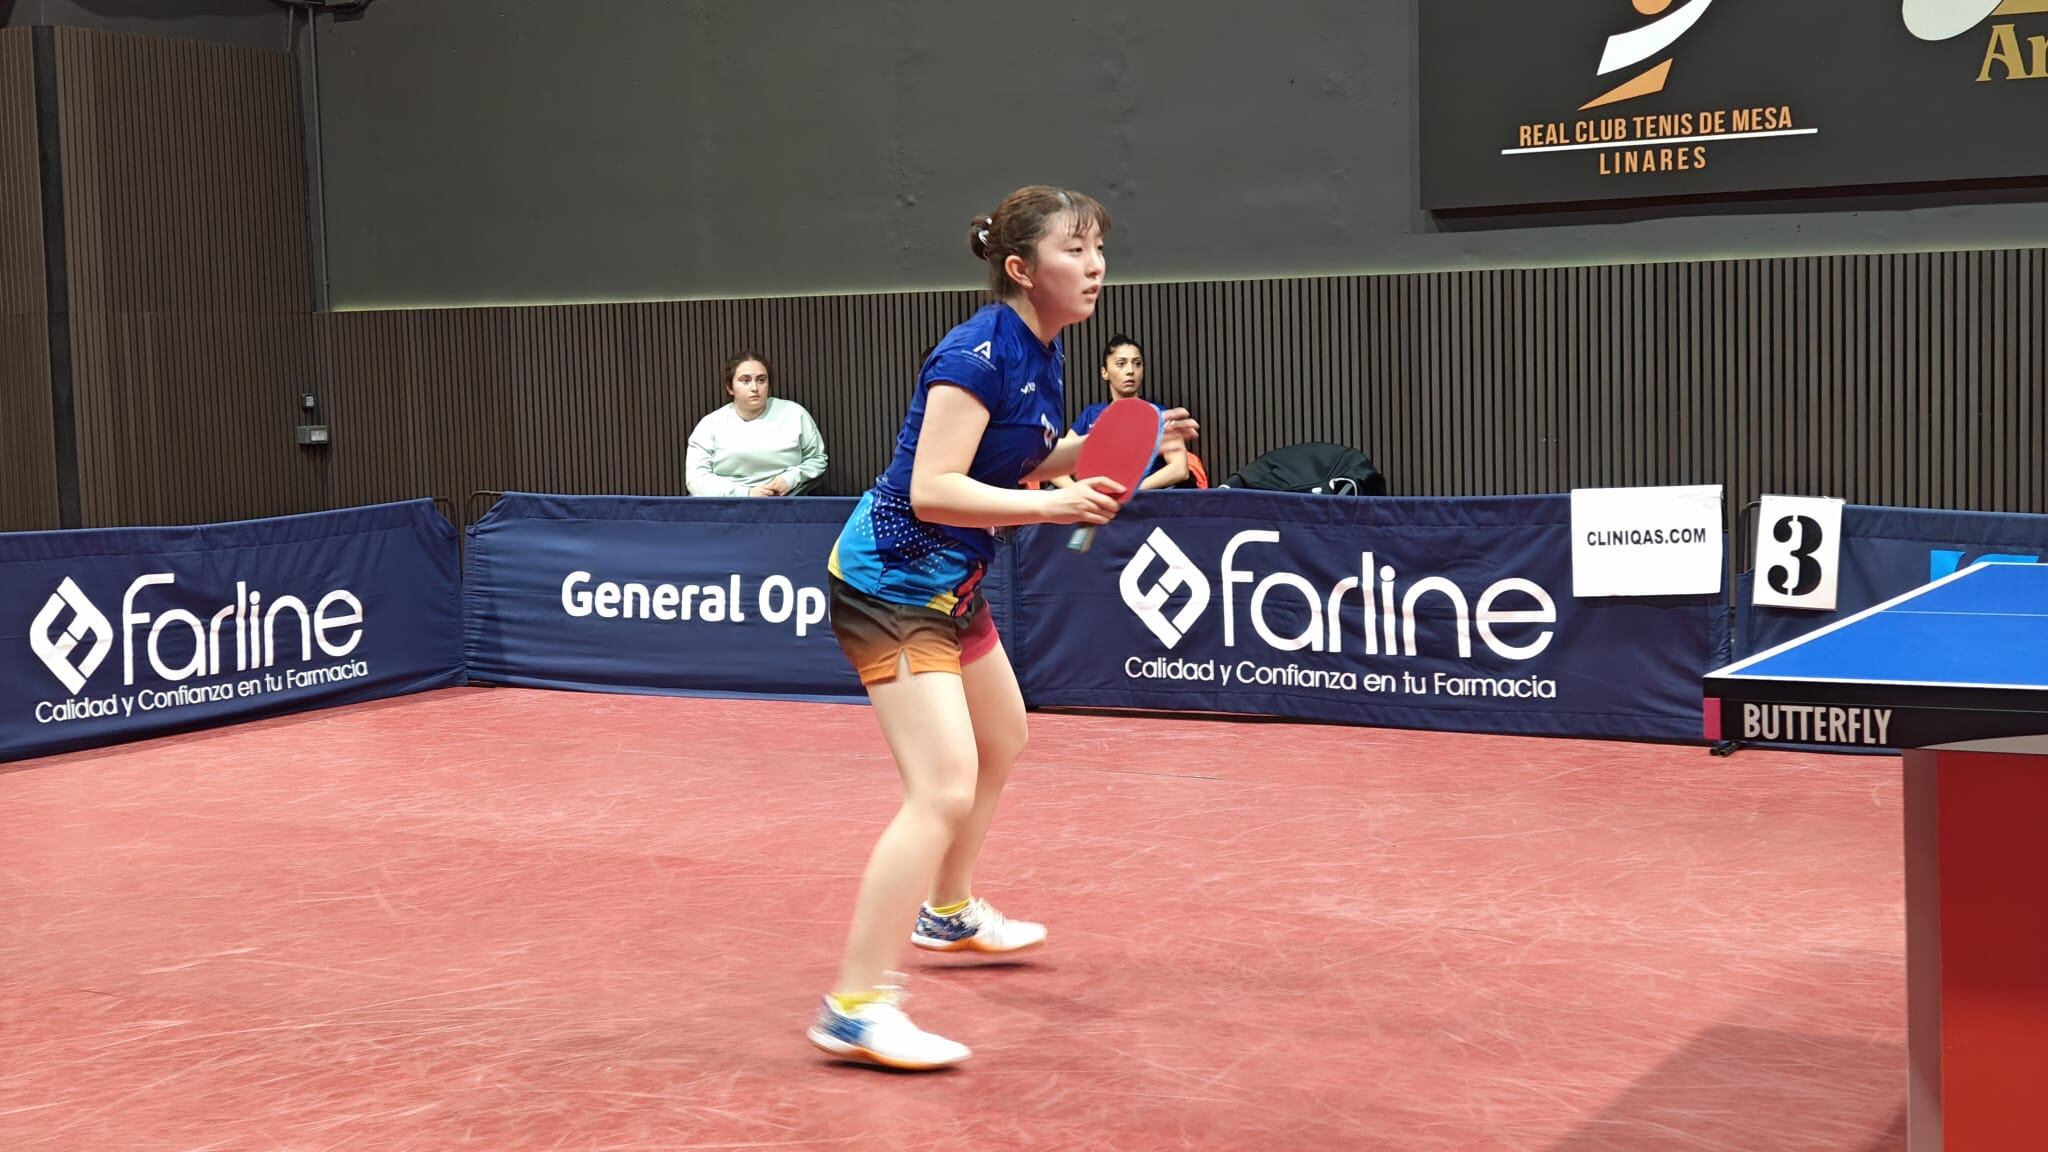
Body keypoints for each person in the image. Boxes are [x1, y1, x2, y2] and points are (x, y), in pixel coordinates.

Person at [808, 186, 1197, 1070]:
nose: (1095, 264)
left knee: (1004, 736)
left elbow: (1015, 454)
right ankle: (858, 1005)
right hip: (892, 582)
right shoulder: (976, 353)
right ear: (1022, 268)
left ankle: (947, 911)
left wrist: (1107, 447)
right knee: (941, 785)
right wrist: (1056, 508)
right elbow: (932, 488)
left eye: (1098, 247)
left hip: (952, 581)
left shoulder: (1043, 351)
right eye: (1074, 249)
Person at [1049, 334, 1197, 490]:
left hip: (1144, 501)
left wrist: (1131, 492)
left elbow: (1180, 469)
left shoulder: (1160, 414)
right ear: (1104, 372)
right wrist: (1078, 491)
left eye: (1137, 364)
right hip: (1097, 503)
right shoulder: (1090, 415)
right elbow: (1056, 469)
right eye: (1121, 364)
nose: (1130, 371)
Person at [684, 353, 828, 496]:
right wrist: (745, 493)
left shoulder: (795, 414)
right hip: (727, 506)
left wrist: (791, 478)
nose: (754, 387)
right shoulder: (710, 424)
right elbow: (696, 479)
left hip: (785, 501)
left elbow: (817, 459)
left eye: (761, 380)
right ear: (730, 387)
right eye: (745, 381)